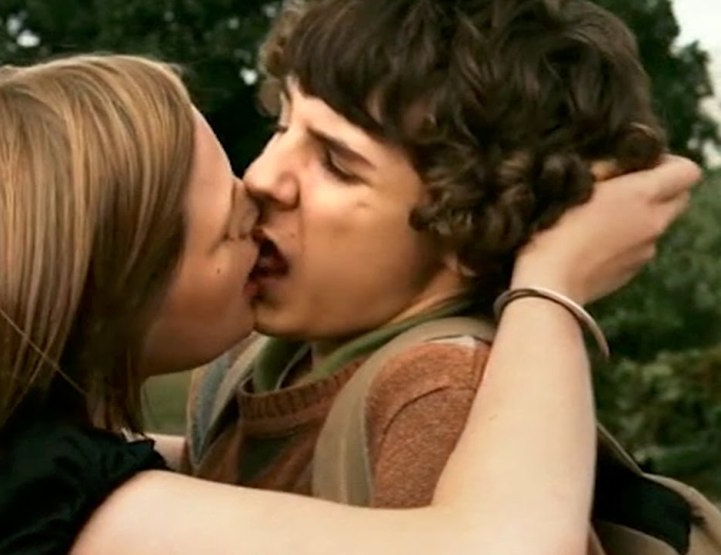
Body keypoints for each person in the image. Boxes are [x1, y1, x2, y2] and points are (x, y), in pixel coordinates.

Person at [0, 53, 699, 555]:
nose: (263, 189)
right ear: (113, 295)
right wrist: (551, 281)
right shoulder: (62, 513)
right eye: (228, 227)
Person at [185, 0, 676, 510]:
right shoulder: (256, 363)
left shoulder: (438, 399)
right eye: (283, 126)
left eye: (336, 164)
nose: (262, 177)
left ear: (470, 224)